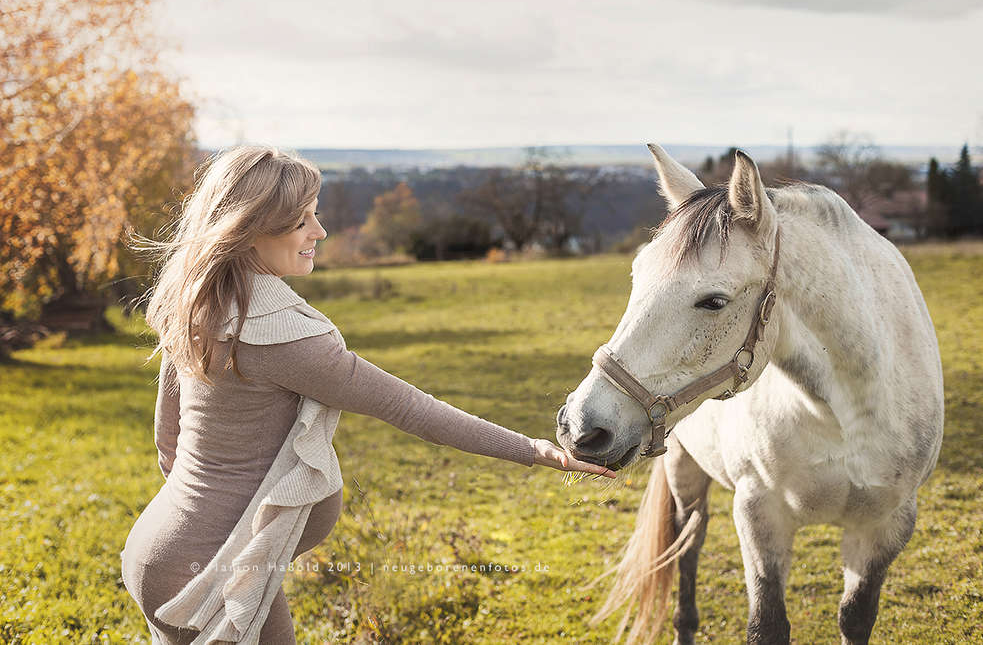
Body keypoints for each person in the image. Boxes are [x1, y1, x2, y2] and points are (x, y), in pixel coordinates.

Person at [120, 145, 613, 643]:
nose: (319, 232)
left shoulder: (201, 304)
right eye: (301, 222)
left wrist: (214, 525)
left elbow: (168, 440)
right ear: (248, 230)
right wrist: (532, 450)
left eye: (316, 215)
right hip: (205, 572)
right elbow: (412, 409)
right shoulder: (285, 338)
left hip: (165, 547)